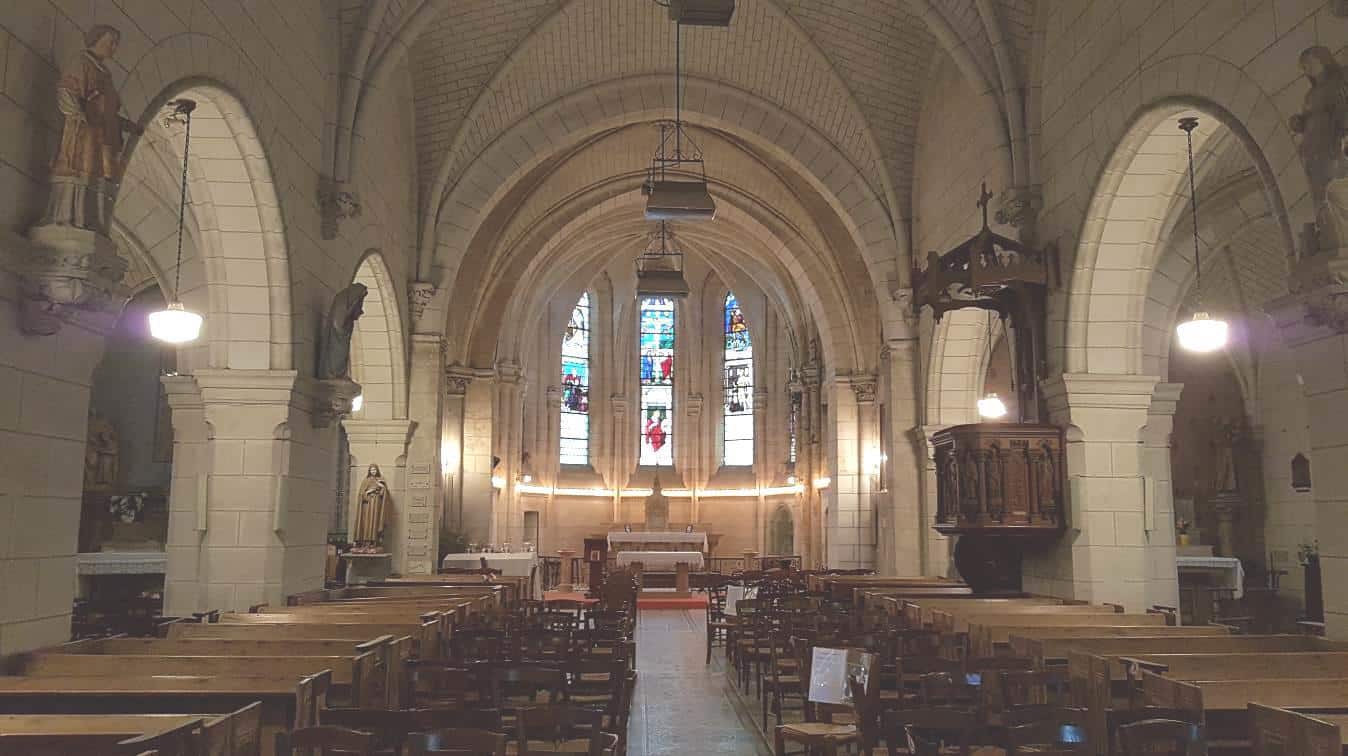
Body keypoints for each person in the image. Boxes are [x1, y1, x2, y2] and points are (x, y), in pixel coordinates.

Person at [46, 25, 143, 232]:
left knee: (99, 176)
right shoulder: (81, 62)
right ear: (97, 39)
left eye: (116, 43)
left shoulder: (105, 74)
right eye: (111, 42)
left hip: (101, 137)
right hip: (84, 133)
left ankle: (88, 221)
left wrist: (127, 125)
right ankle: (69, 218)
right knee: (79, 169)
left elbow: (107, 111)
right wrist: (80, 116)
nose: (114, 47)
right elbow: (66, 91)